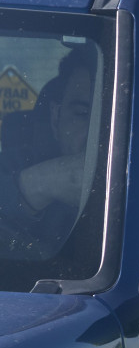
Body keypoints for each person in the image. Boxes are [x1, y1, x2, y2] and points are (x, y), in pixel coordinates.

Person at [0, 48, 96, 256]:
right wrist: (34, 188)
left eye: (111, 117)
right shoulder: (10, 167)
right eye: (82, 114)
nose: (99, 131)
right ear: (55, 118)